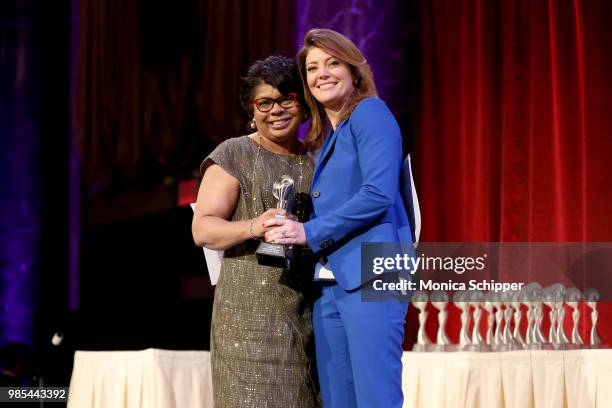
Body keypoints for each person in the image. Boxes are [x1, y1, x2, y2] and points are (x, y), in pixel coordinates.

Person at [264, 29, 412, 408]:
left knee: (375, 398)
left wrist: (308, 231)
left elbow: (378, 194)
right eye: (312, 68)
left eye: (332, 63)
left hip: (372, 276)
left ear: (354, 71)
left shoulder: (370, 113)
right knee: (337, 400)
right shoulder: (328, 136)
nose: (322, 73)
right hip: (330, 282)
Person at [192, 55, 318, 407]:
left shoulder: (318, 158)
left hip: (308, 312)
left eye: (286, 99)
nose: (276, 110)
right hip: (248, 321)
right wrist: (254, 226)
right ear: (252, 108)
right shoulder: (234, 154)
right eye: (265, 102)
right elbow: (202, 228)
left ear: (303, 103)